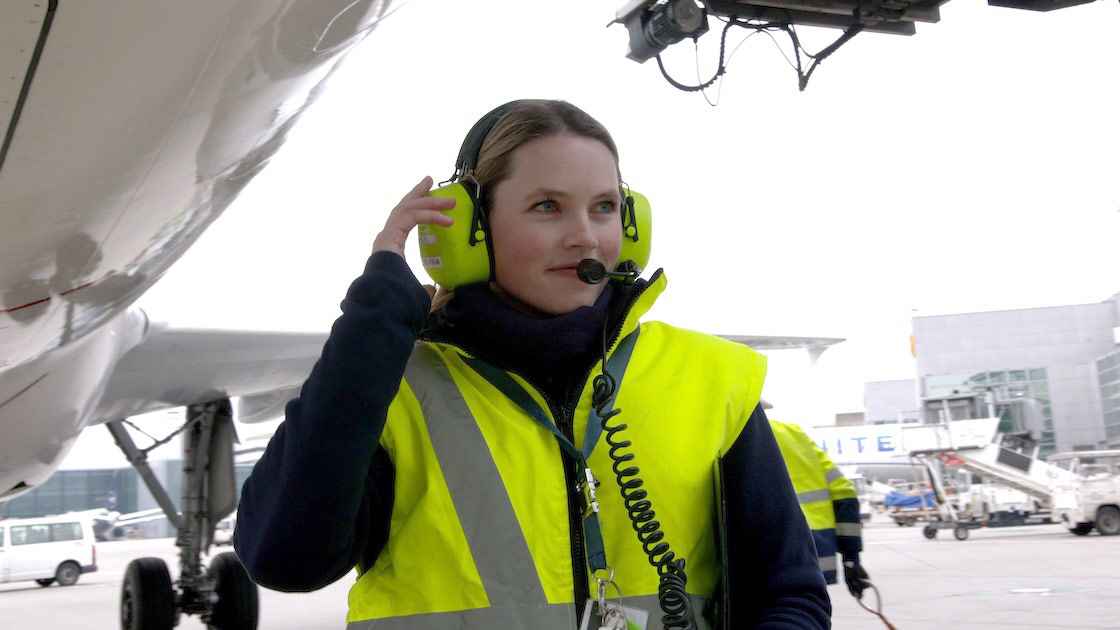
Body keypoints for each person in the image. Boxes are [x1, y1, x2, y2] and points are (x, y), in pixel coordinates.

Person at [234, 99, 830, 629]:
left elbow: (790, 595)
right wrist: (373, 323)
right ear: (472, 230)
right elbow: (286, 559)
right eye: (548, 206)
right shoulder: (393, 387)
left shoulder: (709, 377)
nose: (585, 237)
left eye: (604, 207)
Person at [770, 421, 870, 598]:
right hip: (813, 559)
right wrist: (851, 559)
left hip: (762, 566)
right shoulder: (792, 433)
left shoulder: (728, 431)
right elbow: (845, 494)